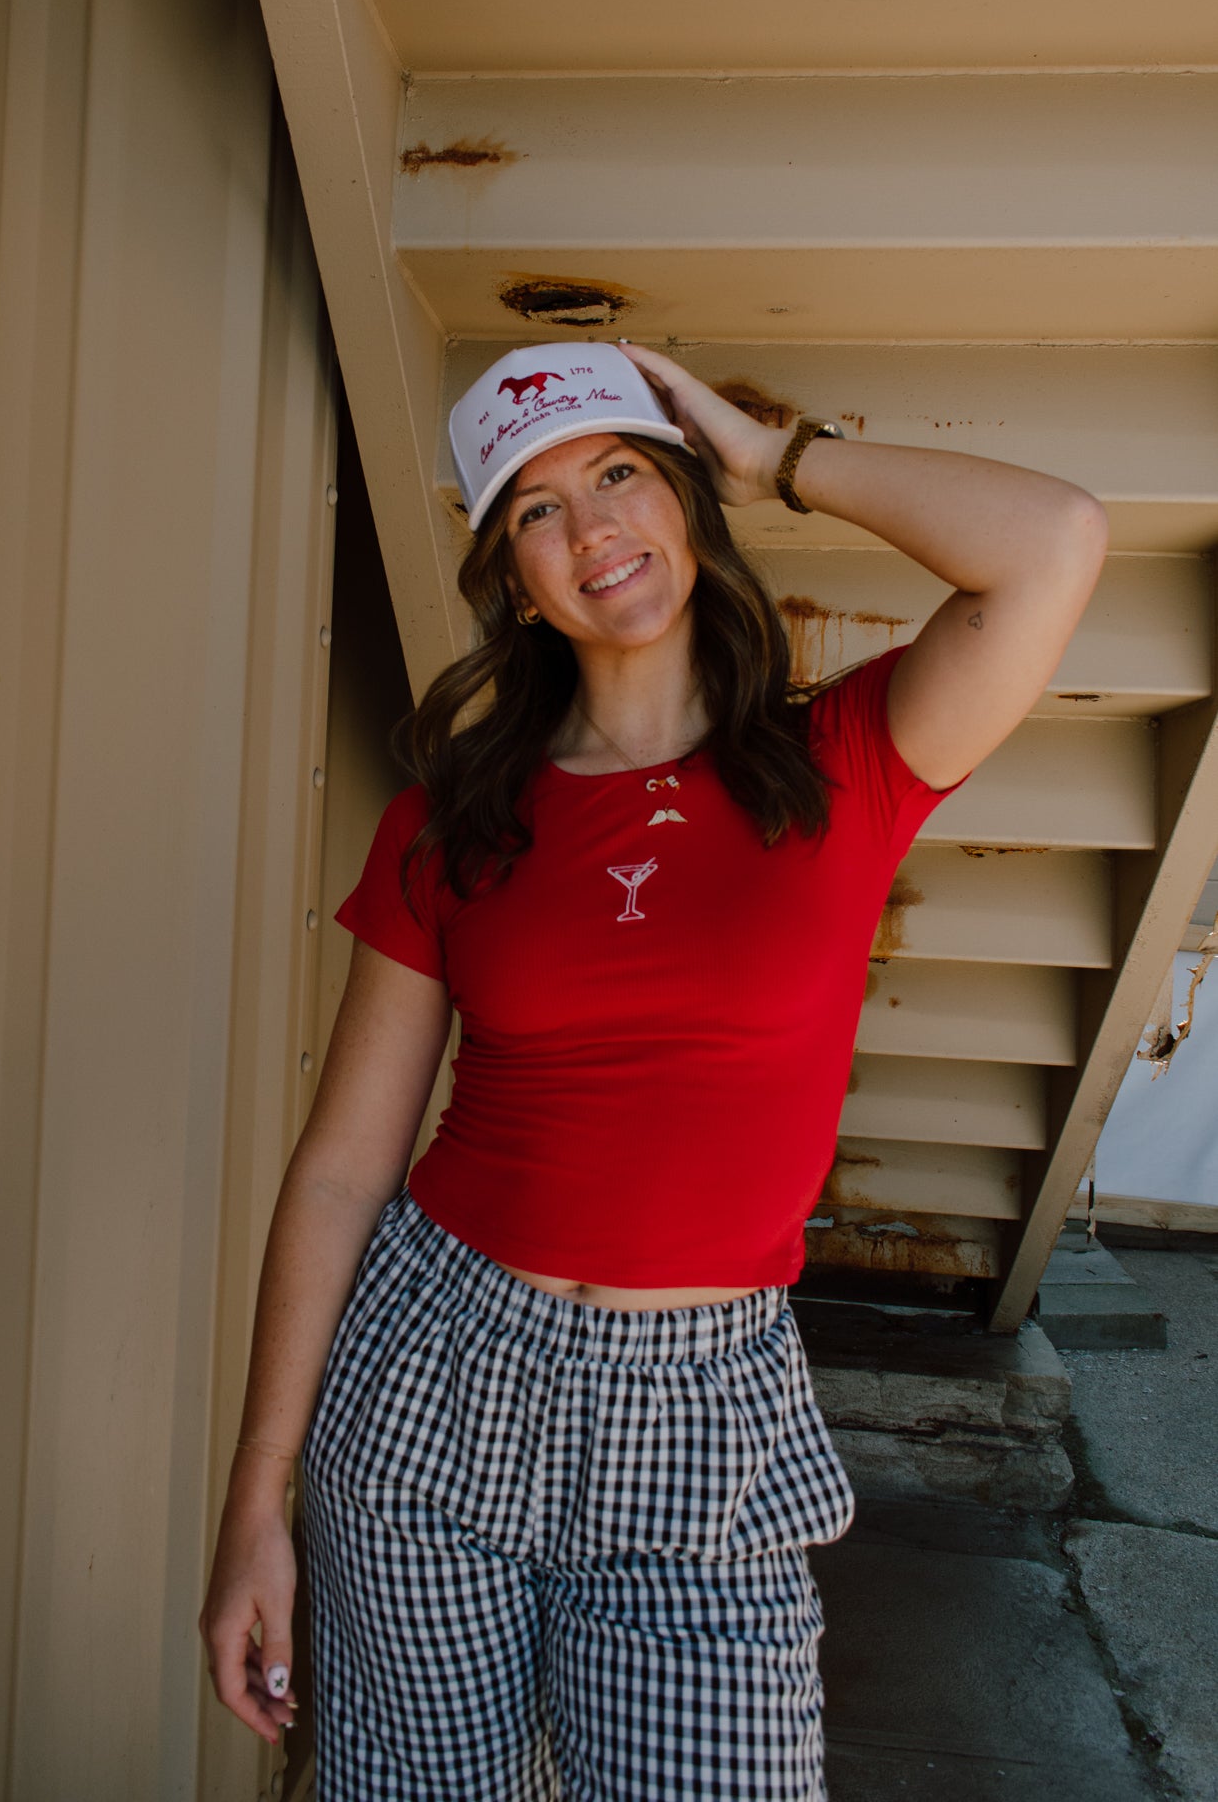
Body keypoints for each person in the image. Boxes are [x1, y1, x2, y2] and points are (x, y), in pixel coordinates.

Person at [200, 339, 1107, 1799]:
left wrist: (774, 454)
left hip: (694, 1410)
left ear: (685, 497)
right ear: (511, 577)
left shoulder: (842, 764)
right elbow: (340, 1171)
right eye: (537, 511)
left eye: (618, 472)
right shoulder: (450, 826)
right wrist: (256, 1498)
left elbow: (1054, 542)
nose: (591, 527)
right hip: (435, 1371)